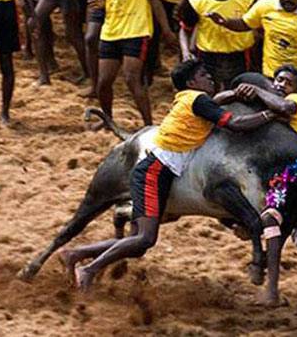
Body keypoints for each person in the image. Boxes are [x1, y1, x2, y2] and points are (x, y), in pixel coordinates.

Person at [59, 59, 279, 291]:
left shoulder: (190, 99)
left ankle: (75, 254)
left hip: (157, 171)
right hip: (154, 172)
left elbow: (220, 101)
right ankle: (88, 269)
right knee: (144, 239)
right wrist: (269, 114)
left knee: (139, 242)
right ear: (192, 82)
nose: (210, 78)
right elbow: (236, 123)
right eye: (204, 75)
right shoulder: (197, 100)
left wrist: (234, 94)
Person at [207, 0, 297, 137]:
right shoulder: (265, 5)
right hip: (273, 76)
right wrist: (225, 22)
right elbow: (245, 23)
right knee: (272, 120)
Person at [90, 0, 176, 127]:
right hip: (111, 29)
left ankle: (148, 124)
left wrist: (166, 29)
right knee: (103, 82)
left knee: (131, 78)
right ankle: (108, 120)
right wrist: (99, 3)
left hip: (136, 29)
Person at [178, 0, 256, 89]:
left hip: (240, 57)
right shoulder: (196, 0)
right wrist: (185, 52)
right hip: (208, 58)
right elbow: (185, 29)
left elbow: (256, 28)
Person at [235, 64, 297, 139]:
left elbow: (284, 107)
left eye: (289, 84)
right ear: (273, 81)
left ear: (296, 90)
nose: (282, 85)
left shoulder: (296, 98)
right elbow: (238, 124)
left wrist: (256, 90)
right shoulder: (268, 99)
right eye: (279, 80)